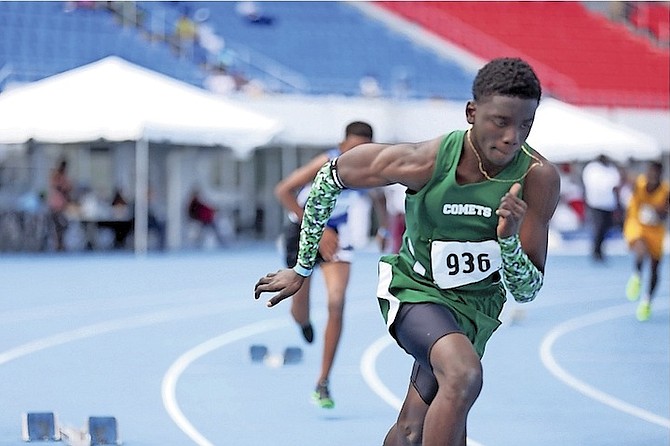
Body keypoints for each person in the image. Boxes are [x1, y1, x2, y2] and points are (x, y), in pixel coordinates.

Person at [255, 57, 560, 446]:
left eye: (525, 125)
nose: (511, 138)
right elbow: (329, 178)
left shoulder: (537, 177)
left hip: (476, 311)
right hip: (417, 292)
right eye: (500, 121)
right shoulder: (426, 160)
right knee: (463, 374)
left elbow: (527, 289)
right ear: (472, 112)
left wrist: (507, 239)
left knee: (413, 429)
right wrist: (301, 267)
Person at [273, 121, 374, 409]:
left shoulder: (371, 167)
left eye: (363, 150)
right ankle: (302, 322)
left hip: (338, 237)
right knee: (299, 309)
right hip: (305, 230)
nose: (356, 156)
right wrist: (317, 230)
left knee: (337, 302)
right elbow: (283, 191)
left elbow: (377, 196)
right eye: (352, 149)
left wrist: (382, 225)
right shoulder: (325, 161)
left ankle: (323, 381)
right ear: (342, 146)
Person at [623, 160, 669, 321]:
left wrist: (657, 213)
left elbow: (665, 214)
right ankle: (637, 275)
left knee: (655, 268)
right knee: (640, 247)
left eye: (656, 173)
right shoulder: (639, 183)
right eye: (650, 172)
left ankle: (647, 301)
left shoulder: (666, 191)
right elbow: (626, 179)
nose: (652, 176)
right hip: (637, 223)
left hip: (656, 230)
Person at [581, 154, 623, 262]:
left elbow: (615, 186)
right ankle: (596, 251)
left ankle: (599, 249)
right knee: (598, 227)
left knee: (605, 228)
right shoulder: (592, 169)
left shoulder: (611, 170)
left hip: (608, 204)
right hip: (596, 203)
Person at [47, 158, 73, 251]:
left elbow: (69, 188)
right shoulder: (56, 175)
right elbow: (59, 187)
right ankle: (58, 245)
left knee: (63, 226)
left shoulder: (64, 177)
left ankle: (60, 244)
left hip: (62, 205)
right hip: (55, 205)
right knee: (58, 226)